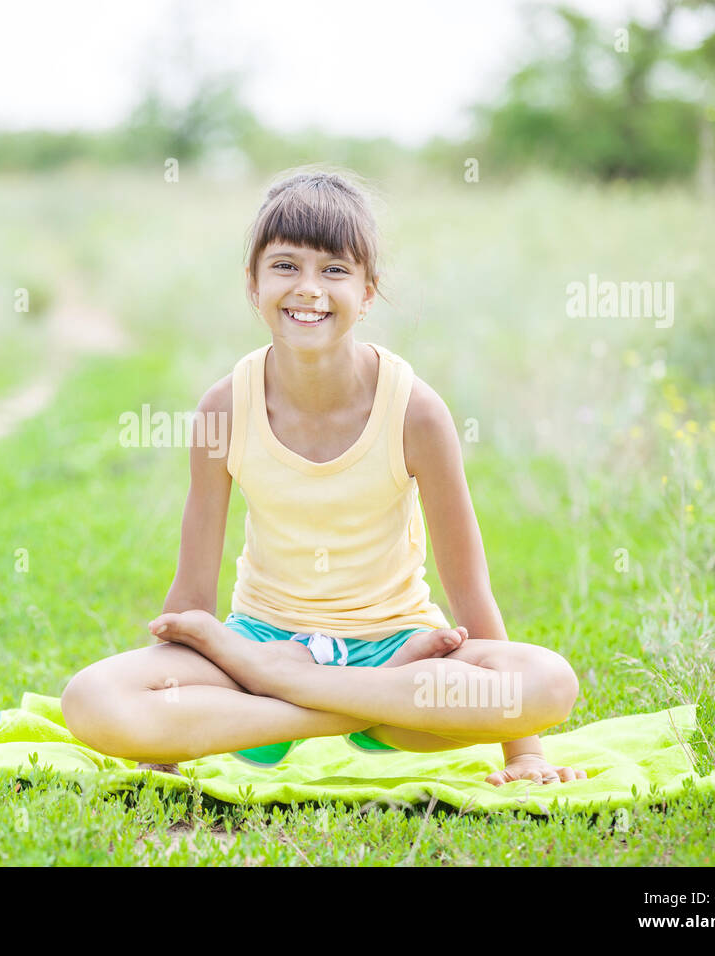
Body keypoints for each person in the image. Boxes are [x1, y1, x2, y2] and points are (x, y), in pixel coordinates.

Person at [61, 166, 586, 787]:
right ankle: (334, 705)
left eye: (334, 270)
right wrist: (164, 740)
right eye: (285, 266)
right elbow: (192, 592)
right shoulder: (224, 408)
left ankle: (293, 695)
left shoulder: (416, 412)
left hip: (398, 649)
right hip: (262, 645)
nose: (309, 288)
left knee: (550, 683)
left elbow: (470, 590)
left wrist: (524, 754)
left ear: (368, 292)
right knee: (91, 698)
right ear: (252, 284)